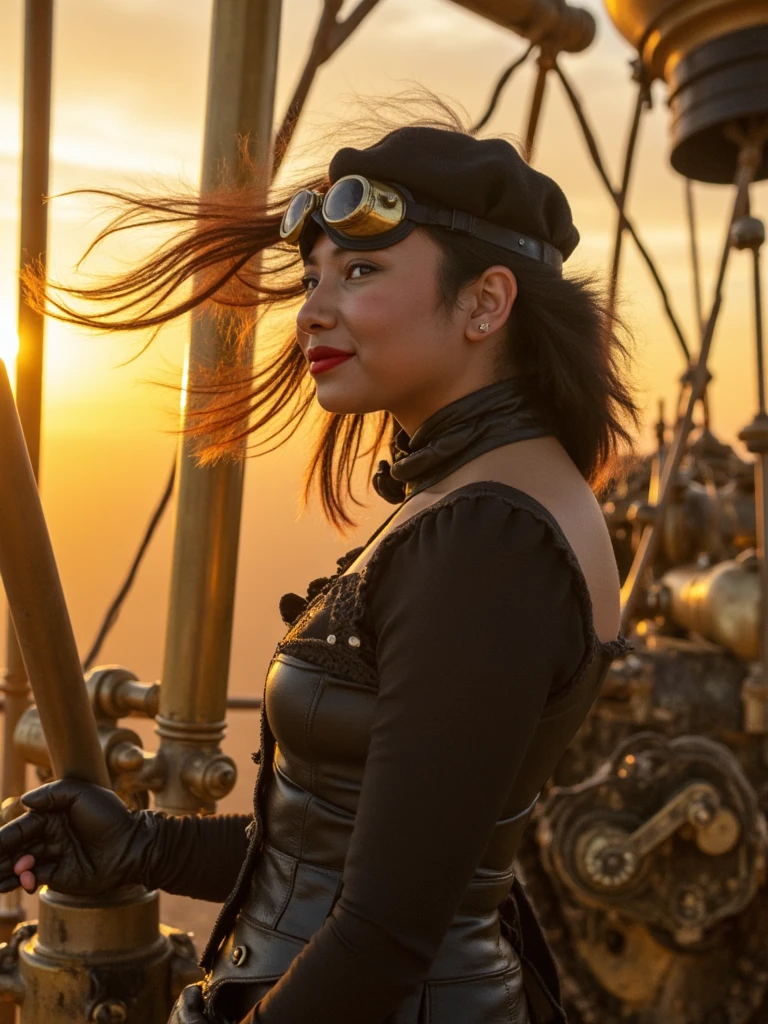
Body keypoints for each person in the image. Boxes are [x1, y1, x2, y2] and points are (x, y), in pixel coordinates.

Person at [0, 113, 637, 1023]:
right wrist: (141, 846)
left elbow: (384, 937)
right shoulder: (489, 499)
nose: (311, 310)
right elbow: (351, 853)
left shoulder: (489, 539)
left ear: (487, 304)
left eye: (362, 272)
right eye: (313, 277)